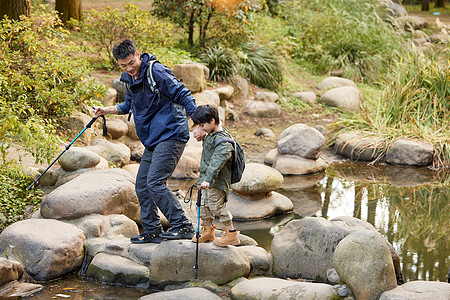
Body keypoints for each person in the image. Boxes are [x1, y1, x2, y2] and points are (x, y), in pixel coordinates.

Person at [93, 39, 197, 244]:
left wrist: (199, 119)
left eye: (131, 63)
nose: (129, 68)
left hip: (171, 132)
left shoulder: (155, 71)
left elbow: (182, 93)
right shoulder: (130, 78)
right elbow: (128, 106)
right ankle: (152, 231)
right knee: (142, 185)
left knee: (155, 182)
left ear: (138, 55)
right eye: (123, 65)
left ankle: (183, 225)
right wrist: (106, 110)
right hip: (154, 138)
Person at [191, 105, 240, 247]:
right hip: (207, 180)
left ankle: (231, 233)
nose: (200, 128)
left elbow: (216, 163)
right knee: (203, 204)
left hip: (216, 182)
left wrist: (207, 180)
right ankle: (208, 230)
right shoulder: (212, 134)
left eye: (202, 125)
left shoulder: (224, 142)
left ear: (212, 121)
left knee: (217, 206)